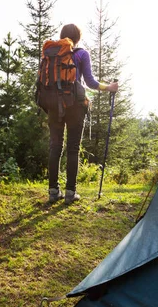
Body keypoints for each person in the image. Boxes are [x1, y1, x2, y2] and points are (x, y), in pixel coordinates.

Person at [47, 24, 119, 203]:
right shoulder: (81, 54)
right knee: (73, 148)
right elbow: (91, 82)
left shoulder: (52, 55)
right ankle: (70, 193)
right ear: (78, 38)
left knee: (55, 147)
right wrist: (108, 87)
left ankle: (53, 192)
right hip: (74, 106)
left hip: (53, 105)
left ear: (62, 36)